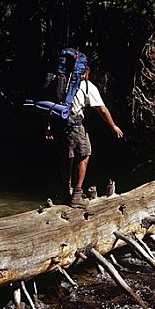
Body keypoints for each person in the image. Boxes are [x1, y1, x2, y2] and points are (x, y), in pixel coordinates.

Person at [45, 65, 124, 208]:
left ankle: (65, 193)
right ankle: (76, 195)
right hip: (74, 124)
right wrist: (113, 126)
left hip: (58, 124)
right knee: (84, 155)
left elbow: (51, 105)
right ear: (86, 73)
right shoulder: (86, 85)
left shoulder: (59, 83)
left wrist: (49, 127)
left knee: (66, 157)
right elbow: (101, 108)